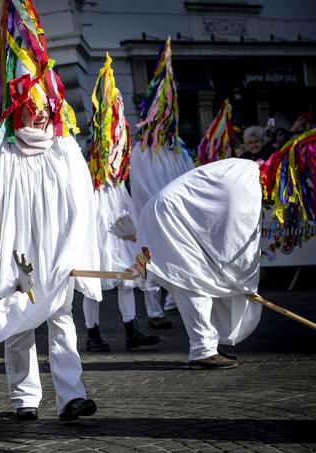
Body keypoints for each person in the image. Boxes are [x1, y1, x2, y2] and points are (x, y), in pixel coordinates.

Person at [0, 0, 101, 423]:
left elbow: (83, 203)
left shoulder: (64, 149)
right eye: (32, 102)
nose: (40, 110)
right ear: (16, 102)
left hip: (56, 249)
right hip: (14, 250)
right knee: (18, 321)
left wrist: (73, 250)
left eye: (46, 103)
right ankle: (25, 399)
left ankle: (71, 396)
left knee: (61, 319)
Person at [136, 128, 316, 368]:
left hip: (169, 216)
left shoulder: (249, 172)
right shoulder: (247, 187)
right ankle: (202, 350)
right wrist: (243, 279)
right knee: (195, 280)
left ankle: (206, 345)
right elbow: (234, 246)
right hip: (168, 219)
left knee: (199, 280)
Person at [82, 53, 162, 353]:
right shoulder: (93, 166)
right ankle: (92, 334)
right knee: (95, 275)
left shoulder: (116, 168)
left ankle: (132, 331)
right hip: (99, 213)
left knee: (126, 275)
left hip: (118, 205)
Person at [129, 37, 194, 321]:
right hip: (151, 212)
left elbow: (189, 176)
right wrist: (155, 209)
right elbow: (141, 185)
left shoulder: (177, 146)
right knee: (147, 262)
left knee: (178, 257)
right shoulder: (142, 150)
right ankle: (153, 310)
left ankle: (172, 301)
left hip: (175, 214)